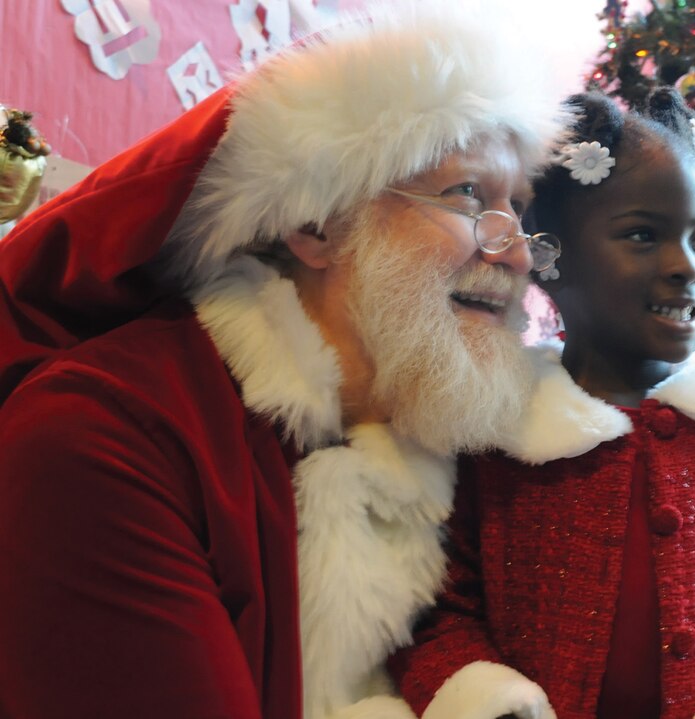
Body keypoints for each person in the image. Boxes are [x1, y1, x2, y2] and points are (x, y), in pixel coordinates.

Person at [0, 3, 578, 718]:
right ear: (316, 222)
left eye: (518, 209)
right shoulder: (101, 438)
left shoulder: (459, 451)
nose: (517, 252)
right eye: (468, 193)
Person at [391, 90, 695, 719]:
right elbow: (433, 607)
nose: (687, 266)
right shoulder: (495, 436)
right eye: (644, 235)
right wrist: (483, 696)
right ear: (550, 258)